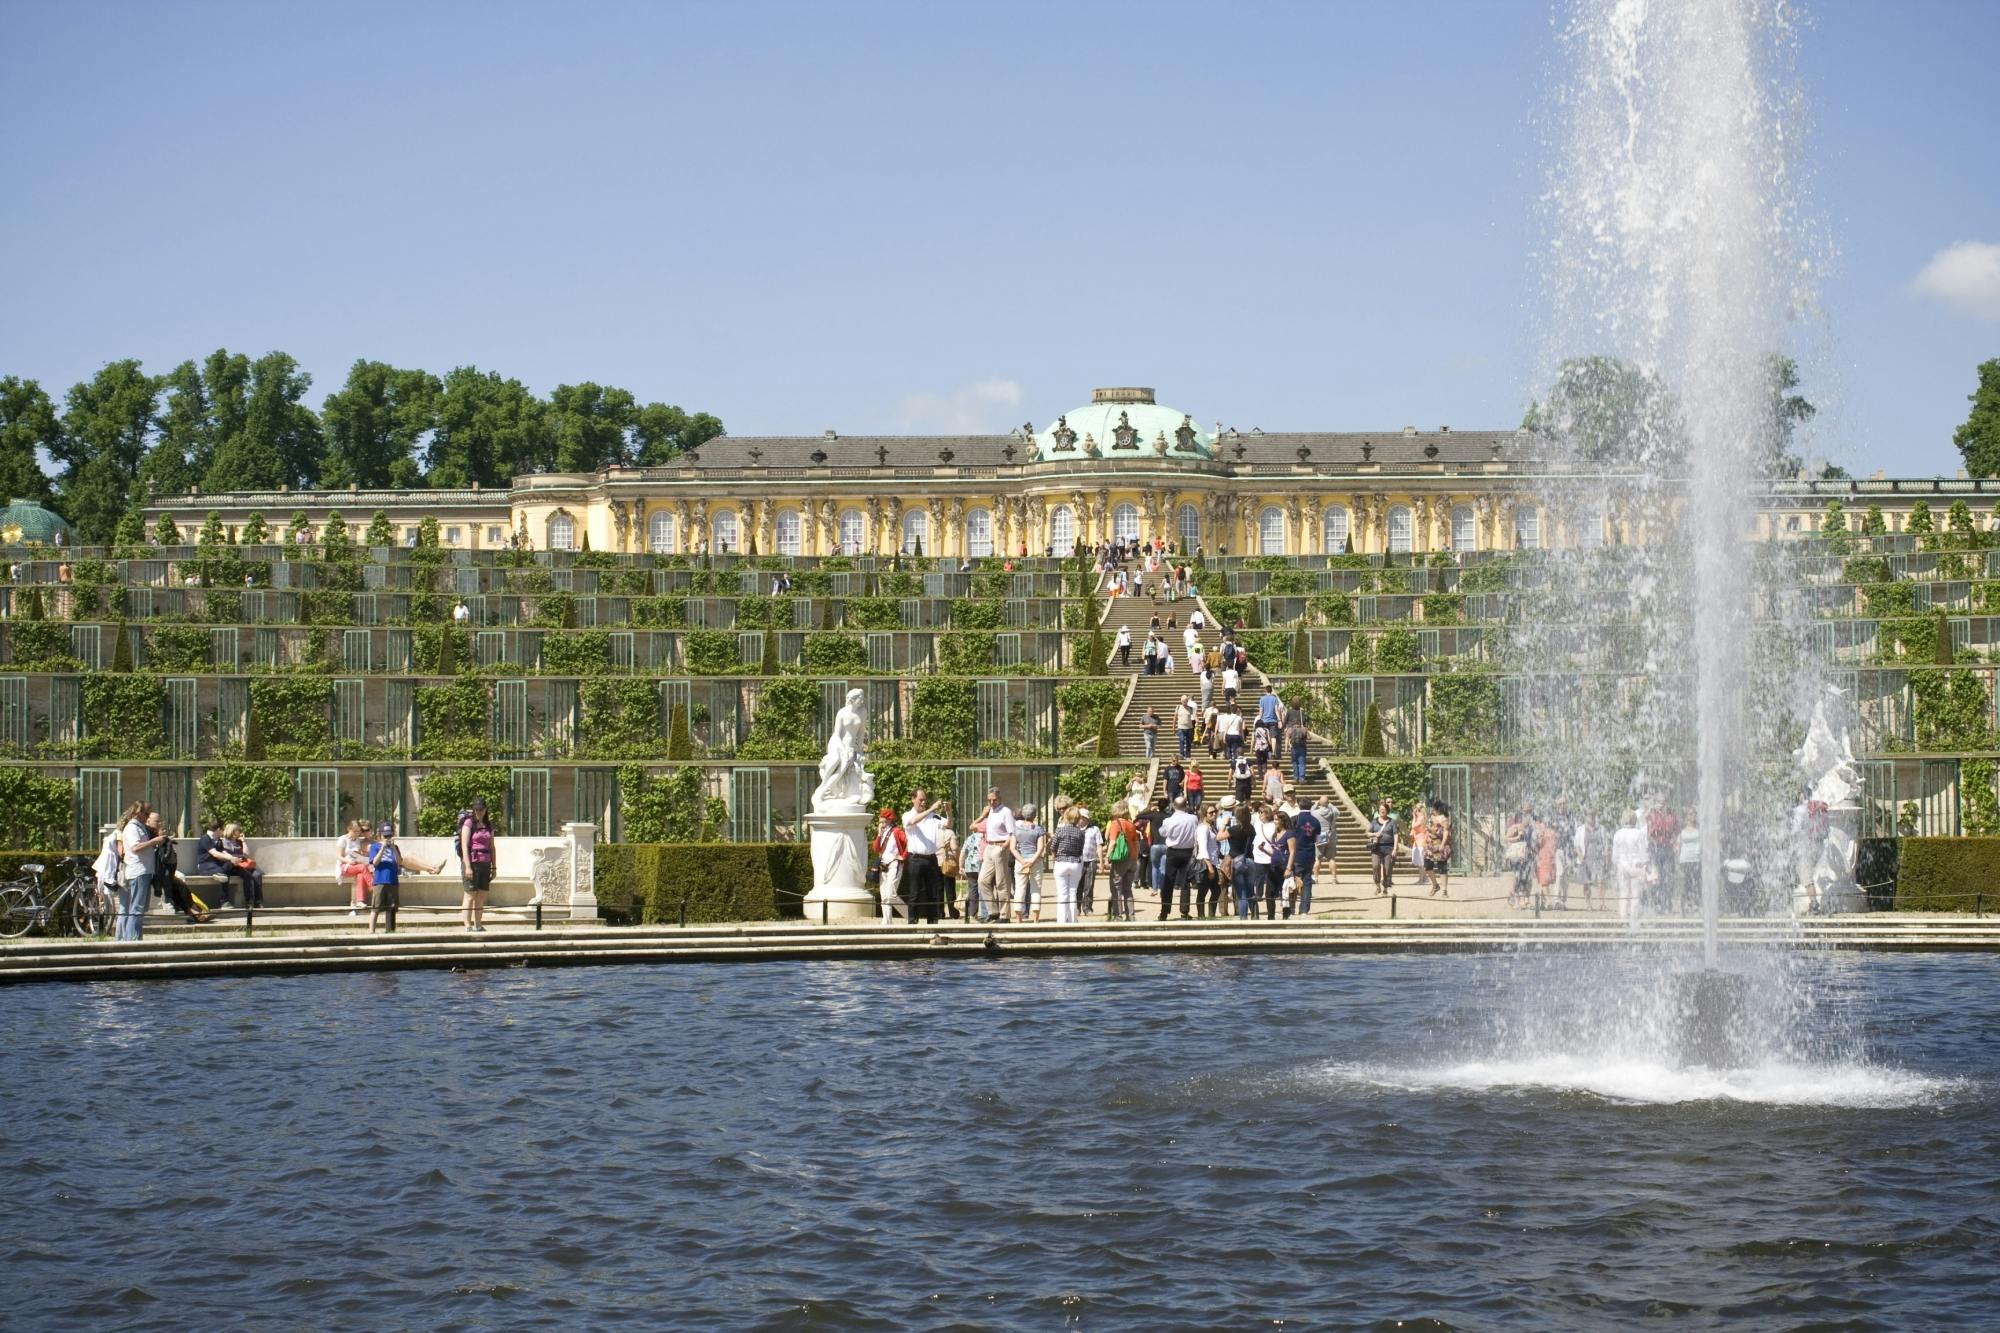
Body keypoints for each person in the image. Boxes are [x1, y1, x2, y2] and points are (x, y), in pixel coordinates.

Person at [149, 811, 212, 924]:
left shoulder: (165, 842)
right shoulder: (152, 839)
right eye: (158, 824)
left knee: (181, 886)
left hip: (165, 873)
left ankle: (192, 910)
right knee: (175, 886)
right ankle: (192, 911)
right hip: (156, 875)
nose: (163, 830)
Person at [111, 802, 162, 940]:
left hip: (144, 871)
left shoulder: (141, 827)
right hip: (138, 871)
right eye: (145, 813)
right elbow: (135, 847)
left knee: (140, 908)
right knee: (137, 908)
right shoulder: (132, 828)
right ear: (137, 812)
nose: (147, 816)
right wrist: (154, 841)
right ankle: (132, 939)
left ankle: (135, 937)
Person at [901, 790, 946, 926]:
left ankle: (932, 922)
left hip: (931, 858)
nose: (923, 802)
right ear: (913, 799)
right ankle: (912, 922)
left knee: (933, 892)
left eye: (925, 800)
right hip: (915, 858)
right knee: (914, 892)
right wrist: (931, 808)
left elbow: (948, 824)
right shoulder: (907, 815)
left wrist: (948, 811)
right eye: (921, 800)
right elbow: (913, 821)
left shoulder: (933, 816)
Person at [971, 788, 1014, 919]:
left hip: (1000, 846)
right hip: (989, 846)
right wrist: (983, 815)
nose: (992, 802)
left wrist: (1004, 846)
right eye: (989, 800)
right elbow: (972, 826)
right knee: (982, 880)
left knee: (1001, 882)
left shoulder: (1006, 812)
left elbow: (1012, 833)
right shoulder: (990, 812)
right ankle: (993, 911)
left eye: (994, 800)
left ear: (999, 799)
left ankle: (1004, 915)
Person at [1157, 796, 1200, 920]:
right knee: (1185, 882)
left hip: (1173, 852)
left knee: (1168, 881)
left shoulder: (1168, 820)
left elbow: (1162, 833)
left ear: (1174, 806)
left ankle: (1164, 911)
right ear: (1186, 805)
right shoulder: (1193, 819)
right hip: (1187, 852)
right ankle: (1184, 911)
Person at [459, 800, 498, 932]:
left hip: (485, 863)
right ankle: (467, 925)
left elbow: (492, 847)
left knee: (481, 895)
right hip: (472, 862)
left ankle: (478, 925)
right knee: (470, 894)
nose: (479, 812)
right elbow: (464, 846)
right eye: (476, 809)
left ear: (485, 809)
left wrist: (494, 867)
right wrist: (468, 866)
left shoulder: (489, 825)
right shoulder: (469, 823)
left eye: (481, 809)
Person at [1102, 800, 1141, 921]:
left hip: (1121, 859)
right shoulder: (1131, 824)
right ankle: (1131, 915)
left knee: (1116, 887)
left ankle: (1117, 915)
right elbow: (1136, 843)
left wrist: (1107, 857)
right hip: (1132, 858)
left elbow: (1113, 842)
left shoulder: (1115, 824)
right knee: (1127, 889)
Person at [1007, 803, 1046, 923]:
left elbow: (1012, 848)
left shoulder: (1016, 829)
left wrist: (1023, 861)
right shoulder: (1039, 829)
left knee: (1019, 889)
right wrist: (1032, 861)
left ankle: (1018, 918)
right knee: (1036, 889)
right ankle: (1035, 918)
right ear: (1034, 815)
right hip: (1035, 861)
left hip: (1021, 861)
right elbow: (1040, 848)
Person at [1050, 808, 1087, 924]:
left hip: (1061, 862)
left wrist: (1054, 856)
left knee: (1062, 894)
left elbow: (1053, 847)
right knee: (1072, 893)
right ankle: (1073, 920)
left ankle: (1061, 921)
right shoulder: (1081, 832)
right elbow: (1081, 849)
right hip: (1075, 862)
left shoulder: (1060, 830)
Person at [1612, 809, 1649, 923]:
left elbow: (1615, 853)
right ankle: (1633, 917)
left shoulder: (1618, 833)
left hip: (1622, 864)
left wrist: (1616, 863)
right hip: (1636, 864)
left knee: (1623, 892)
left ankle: (1623, 916)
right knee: (1635, 893)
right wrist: (1645, 863)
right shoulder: (1638, 833)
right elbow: (1643, 851)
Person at [874, 807, 908, 924]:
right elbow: (876, 848)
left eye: (883, 821)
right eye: (881, 821)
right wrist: (879, 834)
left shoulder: (897, 831)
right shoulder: (882, 833)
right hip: (883, 866)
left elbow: (908, 842)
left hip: (894, 864)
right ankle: (886, 921)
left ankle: (910, 916)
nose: (881, 824)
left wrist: (903, 856)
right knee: (884, 895)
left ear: (889, 820)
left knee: (891, 894)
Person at [336, 819, 374, 914]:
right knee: (363, 868)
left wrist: (360, 857)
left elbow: (358, 853)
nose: (358, 834)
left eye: (358, 831)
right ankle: (374, 888)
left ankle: (360, 901)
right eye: (355, 831)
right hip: (345, 866)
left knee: (361, 876)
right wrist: (349, 861)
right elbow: (339, 856)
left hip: (356, 865)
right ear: (349, 829)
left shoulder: (357, 840)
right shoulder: (342, 839)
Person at [1195, 806, 1225, 917]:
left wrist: (1220, 855)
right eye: (1210, 812)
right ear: (1204, 815)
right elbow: (1202, 847)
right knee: (1203, 892)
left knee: (1216, 891)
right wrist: (1210, 867)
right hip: (1205, 863)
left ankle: (1211, 915)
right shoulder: (1203, 828)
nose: (1214, 814)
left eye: (1215, 812)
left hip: (1213, 861)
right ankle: (1201, 916)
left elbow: (1213, 845)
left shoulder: (1211, 827)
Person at [1368, 800, 1398, 893]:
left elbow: (1396, 835)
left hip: (1388, 848)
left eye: (1384, 809)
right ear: (1378, 811)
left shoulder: (1392, 822)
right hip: (1376, 847)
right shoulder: (1374, 821)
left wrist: (1395, 848)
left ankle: (1385, 887)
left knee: (1387, 868)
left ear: (1387, 810)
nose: (1382, 811)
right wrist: (1374, 834)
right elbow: (1368, 833)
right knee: (1375, 866)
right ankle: (1377, 886)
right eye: (1381, 809)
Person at [1425, 801, 1452, 898]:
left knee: (1442, 868)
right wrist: (1427, 837)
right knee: (1427, 866)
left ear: (1437, 809)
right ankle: (1435, 885)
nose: (1432, 810)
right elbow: (1431, 831)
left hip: (1440, 844)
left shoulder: (1444, 819)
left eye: (1433, 809)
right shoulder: (1432, 818)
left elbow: (1445, 832)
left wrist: (1443, 844)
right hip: (1431, 845)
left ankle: (1444, 890)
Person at [1077, 809, 1101, 917]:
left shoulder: (1095, 829)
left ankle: (1087, 908)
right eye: (1079, 817)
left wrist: (1101, 861)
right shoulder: (1075, 829)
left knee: (1089, 885)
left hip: (1091, 860)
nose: (1080, 819)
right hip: (1078, 861)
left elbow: (1099, 845)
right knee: (1077, 886)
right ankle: (1076, 908)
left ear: (1087, 819)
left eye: (1082, 817)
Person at [1678, 810, 1702, 914]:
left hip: (1696, 859)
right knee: (1687, 883)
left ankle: (1696, 903)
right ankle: (1687, 904)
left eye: (1693, 814)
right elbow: (1678, 844)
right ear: (1686, 816)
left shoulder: (1699, 829)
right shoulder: (1682, 831)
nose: (1692, 816)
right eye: (1690, 814)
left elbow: (1702, 842)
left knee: (1696, 883)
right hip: (1685, 859)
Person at [1286, 706, 1309, 785]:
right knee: (1301, 763)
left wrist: (1287, 747)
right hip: (1302, 747)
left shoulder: (1290, 729)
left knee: (1294, 762)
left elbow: (1287, 738)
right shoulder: (1303, 729)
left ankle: (1296, 777)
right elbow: (1309, 737)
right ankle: (1302, 778)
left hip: (1293, 748)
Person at [1175, 694, 1196, 759]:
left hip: (1189, 728)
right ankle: (1181, 754)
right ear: (1181, 701)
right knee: (1181, 740)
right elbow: (1175, 717)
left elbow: (1195, 716)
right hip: (1181, 727)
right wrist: (1173, 727)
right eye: (1183, 701)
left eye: (1186, 701)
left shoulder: (1190, 708)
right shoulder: (1178, 707)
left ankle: (1188, 755)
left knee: (1188, 742)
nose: (1185, 702)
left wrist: (1197, 722)